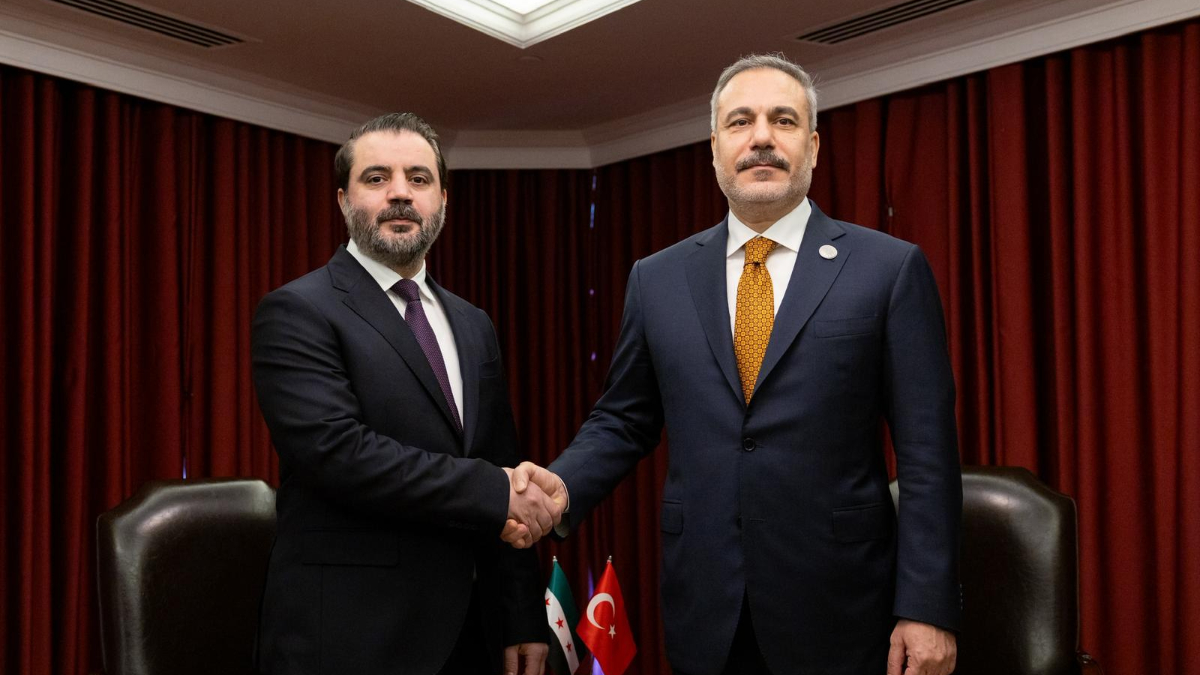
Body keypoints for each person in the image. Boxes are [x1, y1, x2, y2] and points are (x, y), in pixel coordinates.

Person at [509, 54, 962, 675]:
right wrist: (563, 488)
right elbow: (624, 419)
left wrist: (927, 607)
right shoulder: (657, 278)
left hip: (844, 608)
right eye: (741, 122)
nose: (761, 138)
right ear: (715, 148)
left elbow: (927, 453)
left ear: (813, 147)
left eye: (784, 120)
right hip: (706, 605)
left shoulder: (888, 269)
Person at [252, 112, 561, 675]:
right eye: (376, 178)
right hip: (351, 636)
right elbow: (338, 454)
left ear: (442, 199)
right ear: (343, 200)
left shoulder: (473, 324)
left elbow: (500, 459)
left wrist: (520, 613)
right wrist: (494, 489)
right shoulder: (297, 310)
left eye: (418, 178)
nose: (399, 193)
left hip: (472, 632)